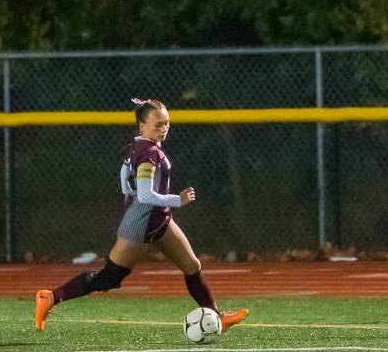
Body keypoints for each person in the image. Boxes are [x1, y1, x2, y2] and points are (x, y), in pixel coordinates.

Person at [34, 98, 249, 332]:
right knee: (109, 278)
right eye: (157, 124)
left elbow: (125, 172)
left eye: (166, 123)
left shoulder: (140, 146)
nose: (163, 128)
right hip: (140, 223)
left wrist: (128, 190)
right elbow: (146, 196)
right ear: (142, 126)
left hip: (159, 219)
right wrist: (179, 199)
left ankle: (216, 317)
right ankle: (50, 297)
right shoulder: (148, 153)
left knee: (192, 265)